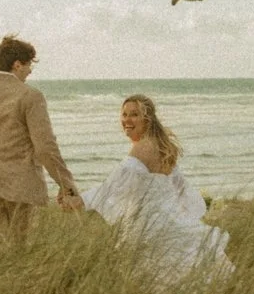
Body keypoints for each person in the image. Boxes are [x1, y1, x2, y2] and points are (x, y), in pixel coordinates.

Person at [82, 94, 231, 280]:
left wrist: (81, 200)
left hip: (151, 228)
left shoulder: (142, 148)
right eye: (124, 114)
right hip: (169, 220)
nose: (126, 120)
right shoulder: (163, 146)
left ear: (147, 119)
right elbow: (179, 187)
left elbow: (113, 186)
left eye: (134, 114)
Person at [0, 35, 83, 248]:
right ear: (17, 64)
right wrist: (66, 185)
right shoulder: (30, 96)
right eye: (29, 65)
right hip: (18, 185)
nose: (30, 71)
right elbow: (45, 147)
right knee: (19, 251)